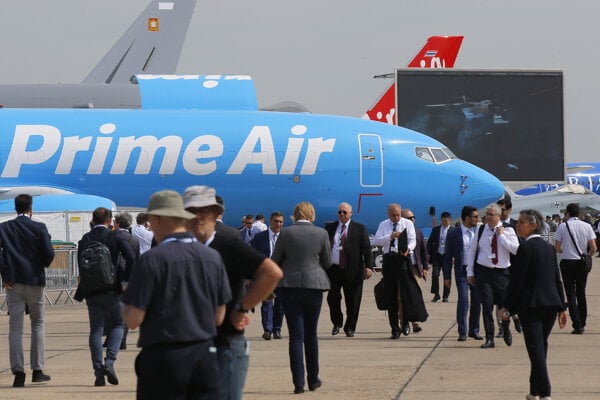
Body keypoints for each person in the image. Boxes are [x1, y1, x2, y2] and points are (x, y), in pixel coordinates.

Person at [122, 190, 232, 399]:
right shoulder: (212, 257)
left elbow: (134, 319)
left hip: (163, 358)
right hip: (204, 356)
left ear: (155, 219)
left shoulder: (152, 260)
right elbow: (219, 317)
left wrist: (128, 303)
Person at [183, 186, 283, 399]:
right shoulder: (184, 247)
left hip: (224, 347)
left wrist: (241, 308)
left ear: (215, 213)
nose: (198, 217)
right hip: (189, 347)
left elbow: (271, 273)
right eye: (192, 211)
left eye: (205, 211)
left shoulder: (227, 243)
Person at [500, 209, 567, 400]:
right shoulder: (547, 247)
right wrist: (562, 306)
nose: (517, 225)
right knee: (540, 346)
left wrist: (507, 306)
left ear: (533, 225)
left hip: (532, 307)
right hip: (551, 305)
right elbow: (557, 279)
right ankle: (535, 390)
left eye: (521, 222)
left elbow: (516, 281)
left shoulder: (525, 248)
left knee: (535, 348)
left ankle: (545, 393)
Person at [271, 201, 331, 394]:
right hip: (314, 286)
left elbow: (275, 260)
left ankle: (298, 383)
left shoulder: (286, 233)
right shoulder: (322, 234)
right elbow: (328, 262)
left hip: (290, 286)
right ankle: (313, 379)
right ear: (312, 215)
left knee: (295, 337)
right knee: (311, 334)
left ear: (294, 215)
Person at [76, 207, 136, 386]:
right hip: (113, 289)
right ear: (109, 220)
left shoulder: (85, 239)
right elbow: (131, 257)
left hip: (92, 290)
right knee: (118, 324)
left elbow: (81, 264)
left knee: (96, 330)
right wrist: (126, 281)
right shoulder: (116, 236)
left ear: (93, 220)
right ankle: (109, 362)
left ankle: (98, 372)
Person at [0, 194, 55, 387]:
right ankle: (37, 370)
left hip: (13, 282)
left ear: (15, 208)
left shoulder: (4, 228)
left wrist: (4, 274)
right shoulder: (39, 228)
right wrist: (42, 264)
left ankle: (18, 372)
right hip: (34, 281)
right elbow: (49, 254)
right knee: (37, 323)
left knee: (15, 328)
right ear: (31, 209)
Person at [467, 203, 520, 348]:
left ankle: (506, 327)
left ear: (498, 216)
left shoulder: (508, 230)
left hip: (501, 272)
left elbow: (515, 249)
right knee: (487, 305)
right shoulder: (481, 229)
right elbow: (472, 251)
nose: (487, 217)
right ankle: (489, 338)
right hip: (484, 271)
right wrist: (470, 272)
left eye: (491, 215)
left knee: (504, 305)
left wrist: (501, 236)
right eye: (487, 214)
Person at [325, 202, 373, 338]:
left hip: (353, 269)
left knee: (352, 301)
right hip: (334, 269)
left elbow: (366, 249)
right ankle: (337, 322)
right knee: (332, 297)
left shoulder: (359, 228)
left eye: (345, 212)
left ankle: (350, 327)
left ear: (351, 213)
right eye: (340, 212)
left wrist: (368, 266)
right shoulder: (330, 227)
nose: (342, 214)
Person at [373, 203, 416, 339]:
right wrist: (390, 237)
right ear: (388, 215)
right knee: (391, 295)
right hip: (389, 259)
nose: (396, 217)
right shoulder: (383, 224)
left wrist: (408, 249)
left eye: (398, 215)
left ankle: (405, 323)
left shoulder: (407, 224)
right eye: (393, 215)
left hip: (402, 258)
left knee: (404, 293)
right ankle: (394, 328)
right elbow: (377, 241)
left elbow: (412, 240)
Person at [554, 202, 597, 334]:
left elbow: (557, 247)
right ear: (579, 213)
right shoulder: (587, 226)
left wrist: (565, 251)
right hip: (581, 262)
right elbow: (594, 248)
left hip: (567, 261)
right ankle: (583, 322)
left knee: (570, 293)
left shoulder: (562, 226)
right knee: (581, 292)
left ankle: (576, 324)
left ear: (567, 213)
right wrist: (587, 256)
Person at [442, 205, 482, 342]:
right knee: (464, 300)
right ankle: (462, 331)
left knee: (477, 301)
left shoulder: (479, 231)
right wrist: (446, 277)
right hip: (462, 271)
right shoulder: (454, 233)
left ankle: (474, 330)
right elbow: (447, 256)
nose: (478, 219)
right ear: (467, 218)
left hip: (476, 271)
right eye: (475, 217)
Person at [252, 211, 286, 340]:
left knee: (280, 304)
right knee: (266, 303)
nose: (278, 224)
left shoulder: (286, 237)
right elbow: (254, 256)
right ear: (270, 222)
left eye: (281, 222)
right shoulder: (259, 238)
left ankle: (277, 329)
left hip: (282, 275)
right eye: (276, 221)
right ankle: (268, 329)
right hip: (265, 276)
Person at [111, 212, 140, 350]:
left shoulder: (113, 236)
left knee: (112, 308)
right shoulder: (134, 239)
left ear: (118, 223)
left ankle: (114, 337)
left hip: (114, 275)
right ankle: (123, 338)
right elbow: (137, 258)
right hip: (130, 277)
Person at [496, 198, 523, 336]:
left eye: (503, 210)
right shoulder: (492, 225)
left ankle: (516, 317)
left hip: (513, 268)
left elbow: (521, 247)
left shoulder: (516, 225)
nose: (500, 212)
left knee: (514, 296)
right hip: (499, 268)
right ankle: (501, 327)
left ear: (509, 210)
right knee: (500, 300)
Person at [401, 209, 429, 333]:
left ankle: (416, 322)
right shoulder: (399, 233)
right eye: (408, 218)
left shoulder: (418, 232)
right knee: (401, 297)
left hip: (414, 268)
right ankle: (404, 323)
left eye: (413, 217)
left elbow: (423, 250)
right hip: (401, 268)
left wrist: (425, 268)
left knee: (415, 294)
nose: (412, 220)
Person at [427, 211, 452, 302]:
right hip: (437, 255)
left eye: (446, 221)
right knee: (435, 275)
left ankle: (446, 295)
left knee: (447, 276)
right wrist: (428, 252)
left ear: (450, 220)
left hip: (447, 256)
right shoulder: (436, 229)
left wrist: (454, 256)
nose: (444, 223)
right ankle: (436, 294)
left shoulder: (453, 230)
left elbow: (456, 245)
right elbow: (430, 242)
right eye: (443, 221)